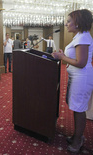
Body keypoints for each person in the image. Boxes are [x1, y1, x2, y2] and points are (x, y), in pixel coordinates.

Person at [52, 9, 93, 153]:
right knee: (76, 107)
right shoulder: (79, 36)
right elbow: (75, 58)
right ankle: (77, 135)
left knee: (79, 109)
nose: (66, 23)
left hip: (81, 78)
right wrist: (63, 55)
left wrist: (61, 57)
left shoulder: (82, 38)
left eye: (69, 21)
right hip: (77, 77)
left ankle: (78, 140)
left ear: (78, 23)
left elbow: (81, 62)